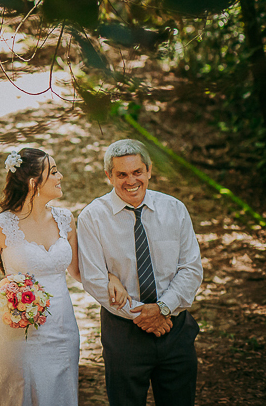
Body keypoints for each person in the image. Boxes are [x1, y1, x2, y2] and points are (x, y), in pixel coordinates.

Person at [0, 147, 127, 406]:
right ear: (34, 183)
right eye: (53, 172)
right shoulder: (2, 225)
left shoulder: (65, 219)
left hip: (62, 327)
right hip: (19, 329)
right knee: (21, 390)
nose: (60, 176)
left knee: (60, 391)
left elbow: (79, 270)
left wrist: (110, 277)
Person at [77, 139, 204, 406]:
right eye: (121, 174)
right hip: (123, 334)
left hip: (174, 328)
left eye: (137, 172)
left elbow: (191, 268)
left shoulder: (174, 209)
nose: (131, 181)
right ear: (109, 176)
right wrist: (142, 315)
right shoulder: (92, 217)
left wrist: (162, 309)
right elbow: (93, 278)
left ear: (149, 170)